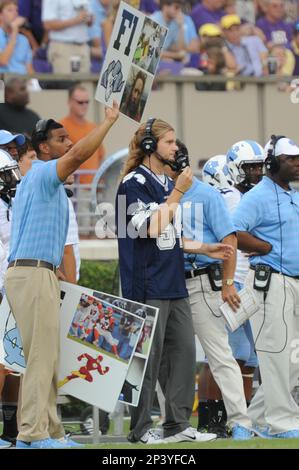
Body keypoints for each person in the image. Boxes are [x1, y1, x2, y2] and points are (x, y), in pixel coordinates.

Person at [4, 101, 119, 449]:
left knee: (47, 357)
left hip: (38, 273)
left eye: (68, 138)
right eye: (60, 139)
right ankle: (33, 434)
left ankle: (49, 431)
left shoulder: (43, 181)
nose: (69, 143)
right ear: (42, 148)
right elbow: (81, 154)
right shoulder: (41, 172)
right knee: (40, 357)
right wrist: (109, 121)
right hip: (32, 272)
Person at [116, 117, 233, 444]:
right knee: (146, 363)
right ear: (151, 147)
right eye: (169, 142)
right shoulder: (132, 184)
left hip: (172, 282)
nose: (176, 148)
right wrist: (180, 191)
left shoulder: (166, 185)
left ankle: (177, 426)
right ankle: (139, 432)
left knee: (181, 357)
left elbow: (169, 233)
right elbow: (151, 228)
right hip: (146, 283)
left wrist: (204, 247)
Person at [166, 140, 253, 440]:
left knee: (220, 353)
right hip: (168, 281)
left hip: (203, 280)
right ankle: (173, 424)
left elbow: (229, 239)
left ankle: (241, 421)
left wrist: (228, 283)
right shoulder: (158, 194)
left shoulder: (207, 194)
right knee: (170, 357)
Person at [233, 136, 299, 439]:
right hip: (271, 282)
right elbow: (233, 232)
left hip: (293, 282)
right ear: (273, 163)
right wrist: (264, 245)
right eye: (290, 159)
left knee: (293, 357)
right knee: (276, 353)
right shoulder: (257, 196)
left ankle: (256, 418)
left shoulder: (293, 193)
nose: (297, 163)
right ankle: (282, 423)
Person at [60, 83, 105, 236]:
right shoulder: (61, 127)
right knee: (80, 231)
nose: (84, 105)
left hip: (94, 188)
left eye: (87, 102)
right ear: (69, 102)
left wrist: (100, 181)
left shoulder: (93, 127)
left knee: (96, 231)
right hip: (75, 188)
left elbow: (100, 155)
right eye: (80, 102)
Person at [0, 149, 22, 448]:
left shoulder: (9, 204)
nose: (11, 180)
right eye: (5, 174)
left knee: (13, 362)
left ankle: (11, 428)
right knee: (3, 364)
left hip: (10, 290)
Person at [42, 0, 93, 74]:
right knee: (68, 84)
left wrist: (89, 18)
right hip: (63, 46)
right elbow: (47, 24)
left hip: (83, 46)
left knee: (86, 84)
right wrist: (76, 20)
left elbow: (90, 21)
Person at [0, 0, 33, 75]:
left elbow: (29, 68)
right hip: (3, 82)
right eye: (10, 10)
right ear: (1, 15)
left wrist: (34, 82)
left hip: (22, 82)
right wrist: (14, 32)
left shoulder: (24, 40)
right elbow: (3, 61)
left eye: (16, 10)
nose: (15, 13)